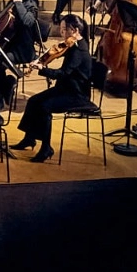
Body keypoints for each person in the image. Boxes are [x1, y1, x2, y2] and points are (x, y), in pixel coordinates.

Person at [14, 14, 93, 163]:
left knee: (44, 107)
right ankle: (29, 138)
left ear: (75, 30)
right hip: (66, 88)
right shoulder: (73, 45)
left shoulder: (79, 51)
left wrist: (42, 69)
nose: (61, 33)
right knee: (33, 100)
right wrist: (43, 58)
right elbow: (58, 54)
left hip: (76, 94)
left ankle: (46, 148)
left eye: (64, 30)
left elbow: (62, 74)